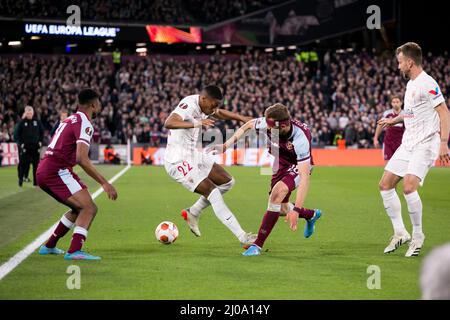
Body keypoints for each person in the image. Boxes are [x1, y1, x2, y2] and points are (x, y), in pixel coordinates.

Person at [210, 103, 322, 256]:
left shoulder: (300, 137)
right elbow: (248, 125)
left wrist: (296, 209)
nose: (267, 129)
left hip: (298, 165)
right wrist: (225, 145)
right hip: (279, 164)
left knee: (276, 196)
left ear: (284, 125)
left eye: (271, 128)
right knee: (281, 208)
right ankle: (311, 215)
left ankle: (257, 245)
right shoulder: (271, 122)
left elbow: (304, 178)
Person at [378, 42, 449, 257]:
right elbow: (410, 112)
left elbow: (444, 112)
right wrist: (394, 120)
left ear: (409, 62)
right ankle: (400, 232)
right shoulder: (411, 84)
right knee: (385, 185)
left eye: (400, 62)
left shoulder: (428, 83)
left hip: (426, 142)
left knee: (409, 187)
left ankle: (418, 235)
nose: (398, 66)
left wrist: (444, 142)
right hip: (408, 142)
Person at [163, 85, 256, 247]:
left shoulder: (204, 105)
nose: (215, 108)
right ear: (204, 98)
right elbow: (169, 122)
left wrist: (241, 118)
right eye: (213, 104)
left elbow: (219, 113)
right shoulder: (188, 105)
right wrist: (196, 124)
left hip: (193, 155)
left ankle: (194, 211)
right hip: (177, 160)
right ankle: (243, 237)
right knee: (213, 193)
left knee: (227, 182)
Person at [36, 89, 118, 260]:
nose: (100, 108)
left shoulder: (69, 119)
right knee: (89, 208)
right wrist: (104, 183)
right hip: (56, 170)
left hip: (46, 168)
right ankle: (74, 251)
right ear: (93, 104)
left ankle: (49, 246)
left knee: (77, 208)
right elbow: (82, 158)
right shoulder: (84, 123)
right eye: (99, 104)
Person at [14, 106, 44, 187]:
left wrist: (40, 141)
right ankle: (20, 180)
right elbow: (17, 134)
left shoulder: (37, 122)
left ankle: (36, 183)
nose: (29, 114)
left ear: (33, 113)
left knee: (36, 165)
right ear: (25, 113)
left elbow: (42, 132)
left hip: (35, 147)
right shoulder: (22, 122)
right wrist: (21, 143)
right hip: (25, 147)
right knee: (23, 164)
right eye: (27, 113)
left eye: (30, 112)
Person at [373, 96, 405, 160]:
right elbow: (380, 125)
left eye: (397, 102)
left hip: (401, 143)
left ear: (401, 103)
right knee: (387, 165)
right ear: (391, 103)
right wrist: (375, 138)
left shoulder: (405, 114)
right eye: (393, 102)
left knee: (400, 165)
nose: (395, 104)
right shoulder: (387, 113)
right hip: (388, 142)